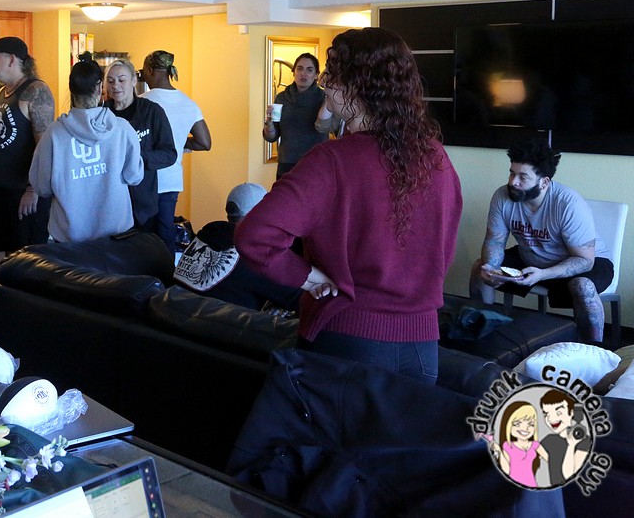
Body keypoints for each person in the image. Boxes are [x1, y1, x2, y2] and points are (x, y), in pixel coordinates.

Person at [235, 27, 462, 383]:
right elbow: (444, 245)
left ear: (356, 85)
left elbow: (254, 235)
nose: (325, 84)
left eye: (332, 74)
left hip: (349, 338)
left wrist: (309, 278)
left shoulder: (331, 160)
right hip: (423, 350)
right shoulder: (435, 156)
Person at [468, 137, 612, 343]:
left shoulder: (568, 204)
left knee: (583, 286)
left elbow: (585, 260)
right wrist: (491, 268)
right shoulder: (502, 197)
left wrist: (544, 274)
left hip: (584, 262)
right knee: (479, 268)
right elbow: (495, 241)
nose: (513, 182)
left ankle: (593, 349)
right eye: (512, 173)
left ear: (544, 182)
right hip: (533, 258)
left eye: (522, 177)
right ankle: (481, 336)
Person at [29, 58, 143, 242]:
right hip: (116, 235)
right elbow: (134, 176)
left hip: (70, 237)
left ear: (71, 90)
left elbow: (42, 187)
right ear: (100, 89)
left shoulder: (54, 133)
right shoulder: (122, 129)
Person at [0, 37, 54, 260]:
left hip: (23, 191)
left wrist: (33, 189)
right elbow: (0, 139)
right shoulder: (1, 93)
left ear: (11, 59)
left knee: (30, 259)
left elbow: (45, 146)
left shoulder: (36, 91)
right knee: (8, 259)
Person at [174, 182, 302, 311]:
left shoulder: (204, 238)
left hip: (175, 316)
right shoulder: (252, 255)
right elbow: (296, 298)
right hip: (221, 323)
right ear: (261, 216)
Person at [140, 49, 212, 253]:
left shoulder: (143, 102)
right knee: (165, 234)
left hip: (145, 177)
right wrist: (178, 143)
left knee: (141, 236)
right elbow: (204, 142)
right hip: (171, 179)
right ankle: (168, 272)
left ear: (150, 70)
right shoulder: (188, 103)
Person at [103, 58, 176, 230]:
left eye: (121, 80)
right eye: (110, 81)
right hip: (109, 201)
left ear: (134, 81)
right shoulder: (101, 113)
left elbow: (169, 154)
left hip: (142, 203)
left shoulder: (152, 111)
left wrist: (136, 158)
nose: (115, 86)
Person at [264, 53, 329, 178]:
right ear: (294, 72)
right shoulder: (282, 97)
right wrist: (269, 124)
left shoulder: (324, 98)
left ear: (316, 75)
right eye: (299, 69)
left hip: (316, 162)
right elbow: (272, 137)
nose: (303, 73)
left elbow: (331, 127)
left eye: (309, 70)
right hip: (287, 162)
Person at [539, 389, 592, 485]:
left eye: (558, 412)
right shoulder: (549, 439)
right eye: (547, 414)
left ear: (571, 413)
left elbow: (568, 475)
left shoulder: (584, 441)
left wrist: (571, 446)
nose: (551, 419)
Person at [491, 401, 548, 488]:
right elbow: (507, 470)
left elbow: (550, 460)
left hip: (531, 484)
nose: (525, 428)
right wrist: (498, 451)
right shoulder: (507, 446)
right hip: (511, 486)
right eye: (517, 424)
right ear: (508, 425)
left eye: (531, 424)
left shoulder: (535, 445)